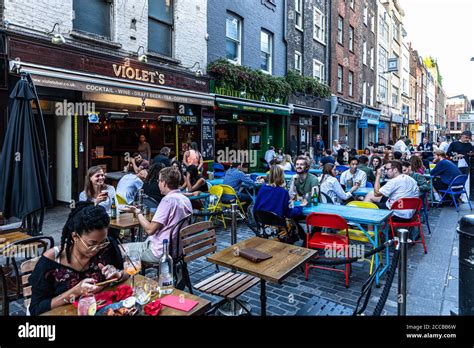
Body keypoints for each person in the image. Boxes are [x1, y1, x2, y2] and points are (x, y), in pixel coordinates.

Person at [29, 203, 126, 316]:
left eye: (102, 242)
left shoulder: (106, 247)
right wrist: (74, 292)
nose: (97, 249)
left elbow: (126, 273)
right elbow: (36, 309)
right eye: (92, 244)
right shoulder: (51, 261)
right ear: (75, 237)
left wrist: (118, 275)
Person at [122, 167, 193, 262]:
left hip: (161, 252)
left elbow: (150, 230)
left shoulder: (168, 201)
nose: (158, 184)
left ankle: (124, 275)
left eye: (159, 181)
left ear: (164, 183)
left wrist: (137, 212)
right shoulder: (186, 200)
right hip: (178, 250)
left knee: (118, 249)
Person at [253, 165, 307, 243]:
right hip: (279, 229)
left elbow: (255, 208)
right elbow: (289, 213)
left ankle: (304, 241)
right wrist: (300, 207)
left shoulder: (262, 188)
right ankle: (305, 242)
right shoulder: (283, 192)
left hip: (263, 227)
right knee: (294, 221)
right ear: (282, 176)